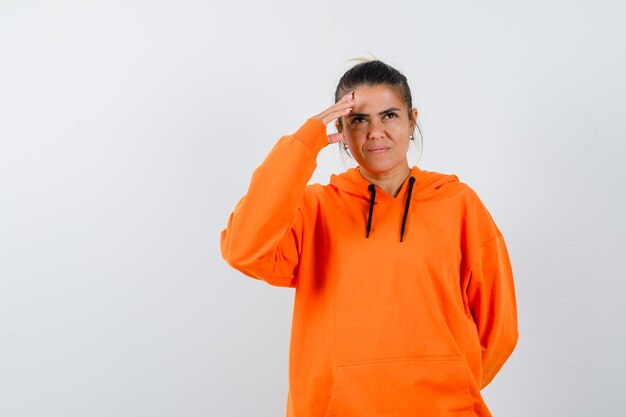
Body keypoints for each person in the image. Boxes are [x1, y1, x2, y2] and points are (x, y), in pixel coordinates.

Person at [221, 60, 518, 417]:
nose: (375, 131)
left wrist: (450, 379)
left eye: (389, 115)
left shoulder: (458, 204)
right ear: (341, 131)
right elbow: (243, 248)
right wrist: (304, 143)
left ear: (412, 121)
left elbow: (499, 328)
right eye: (359, 120)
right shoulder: (314, 209)